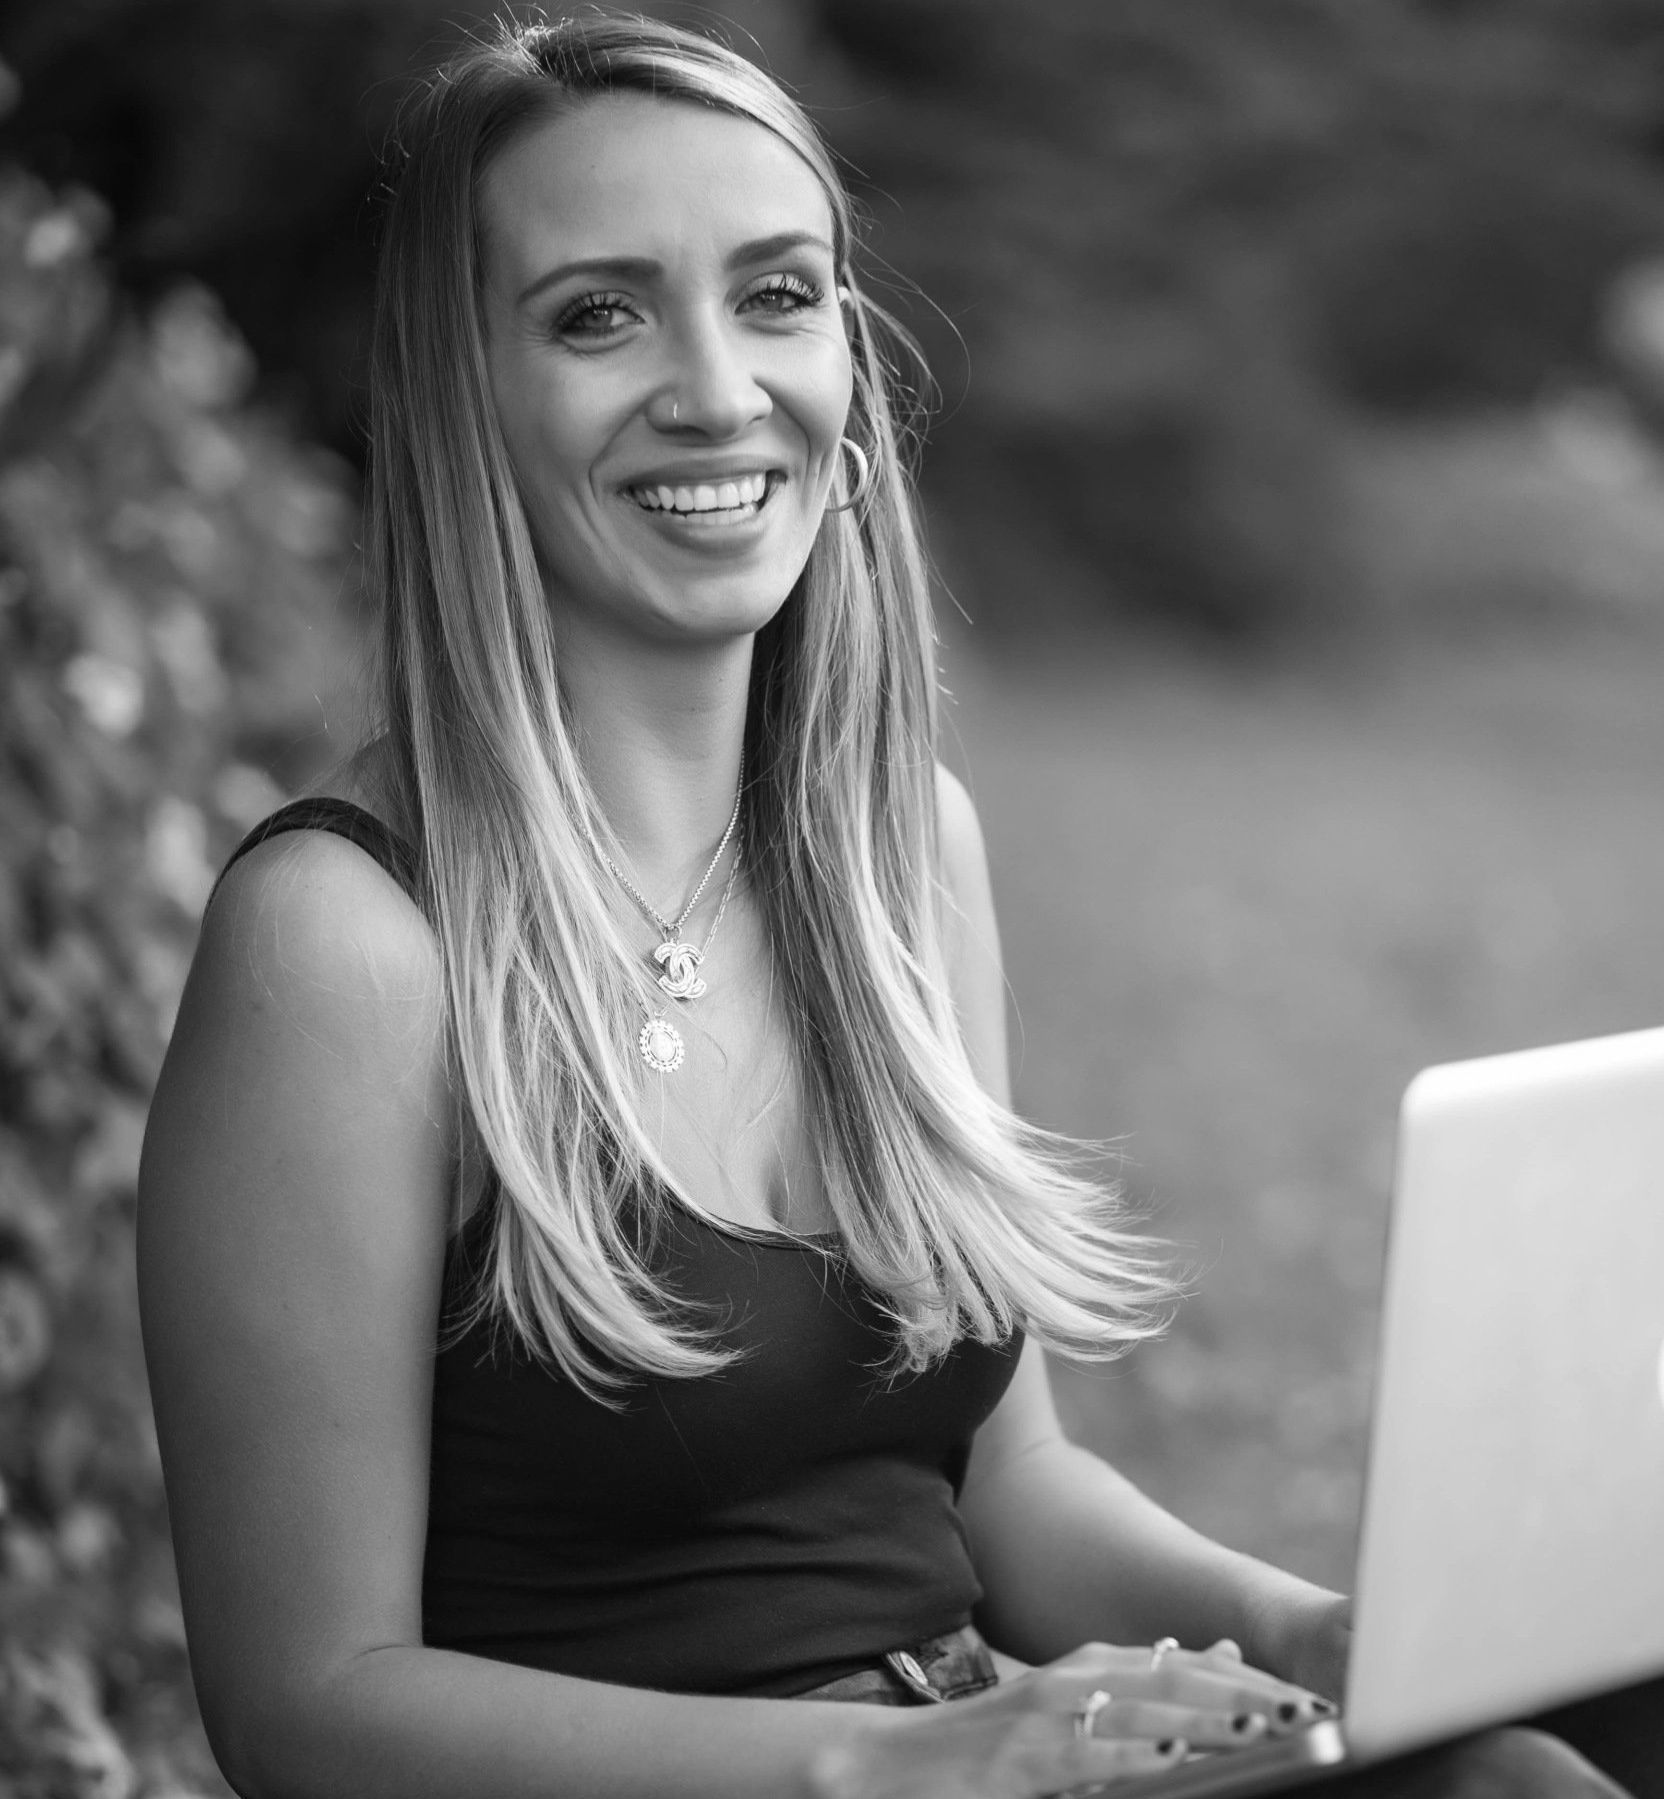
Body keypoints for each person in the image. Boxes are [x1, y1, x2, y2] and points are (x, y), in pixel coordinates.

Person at [135, 16, 1634, 1798]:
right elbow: (307, 1706)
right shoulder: (347, 946)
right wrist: (878, 1763)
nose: (717, 387)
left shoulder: (899, 851)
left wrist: (1310, 1642)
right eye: (599, 313)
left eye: (777, 295)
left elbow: (1007, 1489)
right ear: (466, 397)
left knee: (1581, 1721)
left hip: (981, 1762)